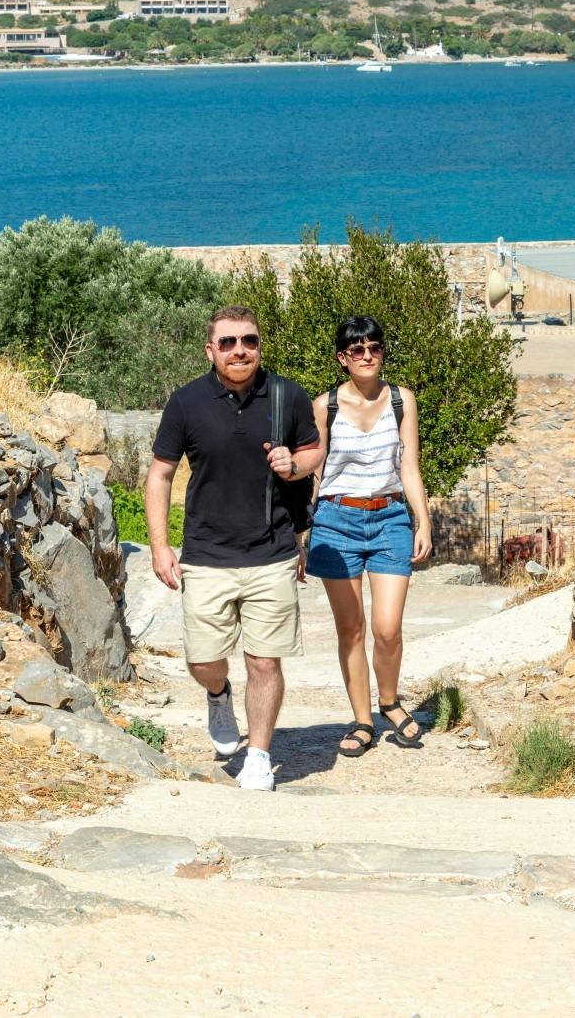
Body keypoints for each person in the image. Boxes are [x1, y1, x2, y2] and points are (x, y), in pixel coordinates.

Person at [146, 306, 322, 792]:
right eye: (227, 342)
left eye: (249, 340)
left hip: (273, 551)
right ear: (211, 350)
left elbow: (313, 452)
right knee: (203, 659)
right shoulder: (185, 403)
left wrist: (296, 463)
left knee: (264, 660)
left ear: (260, 345)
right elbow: (160, 474)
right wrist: (161, 546)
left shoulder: (288, 395)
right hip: (205, 554)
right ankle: (219, 695)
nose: (239, 350)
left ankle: (260, 755)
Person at [303, 315, 432, 757]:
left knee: (388, 628)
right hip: (336, 522)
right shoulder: (325, 407)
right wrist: (303, 533)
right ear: (343, 358)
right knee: (352, 629)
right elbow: (315, 475)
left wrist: (423, 519)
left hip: (390, 518)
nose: (367, 356)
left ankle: (390, 702)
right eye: (356, 350)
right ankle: (362, 720)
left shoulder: (402, 400)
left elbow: (408, 466)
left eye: (374, 348)